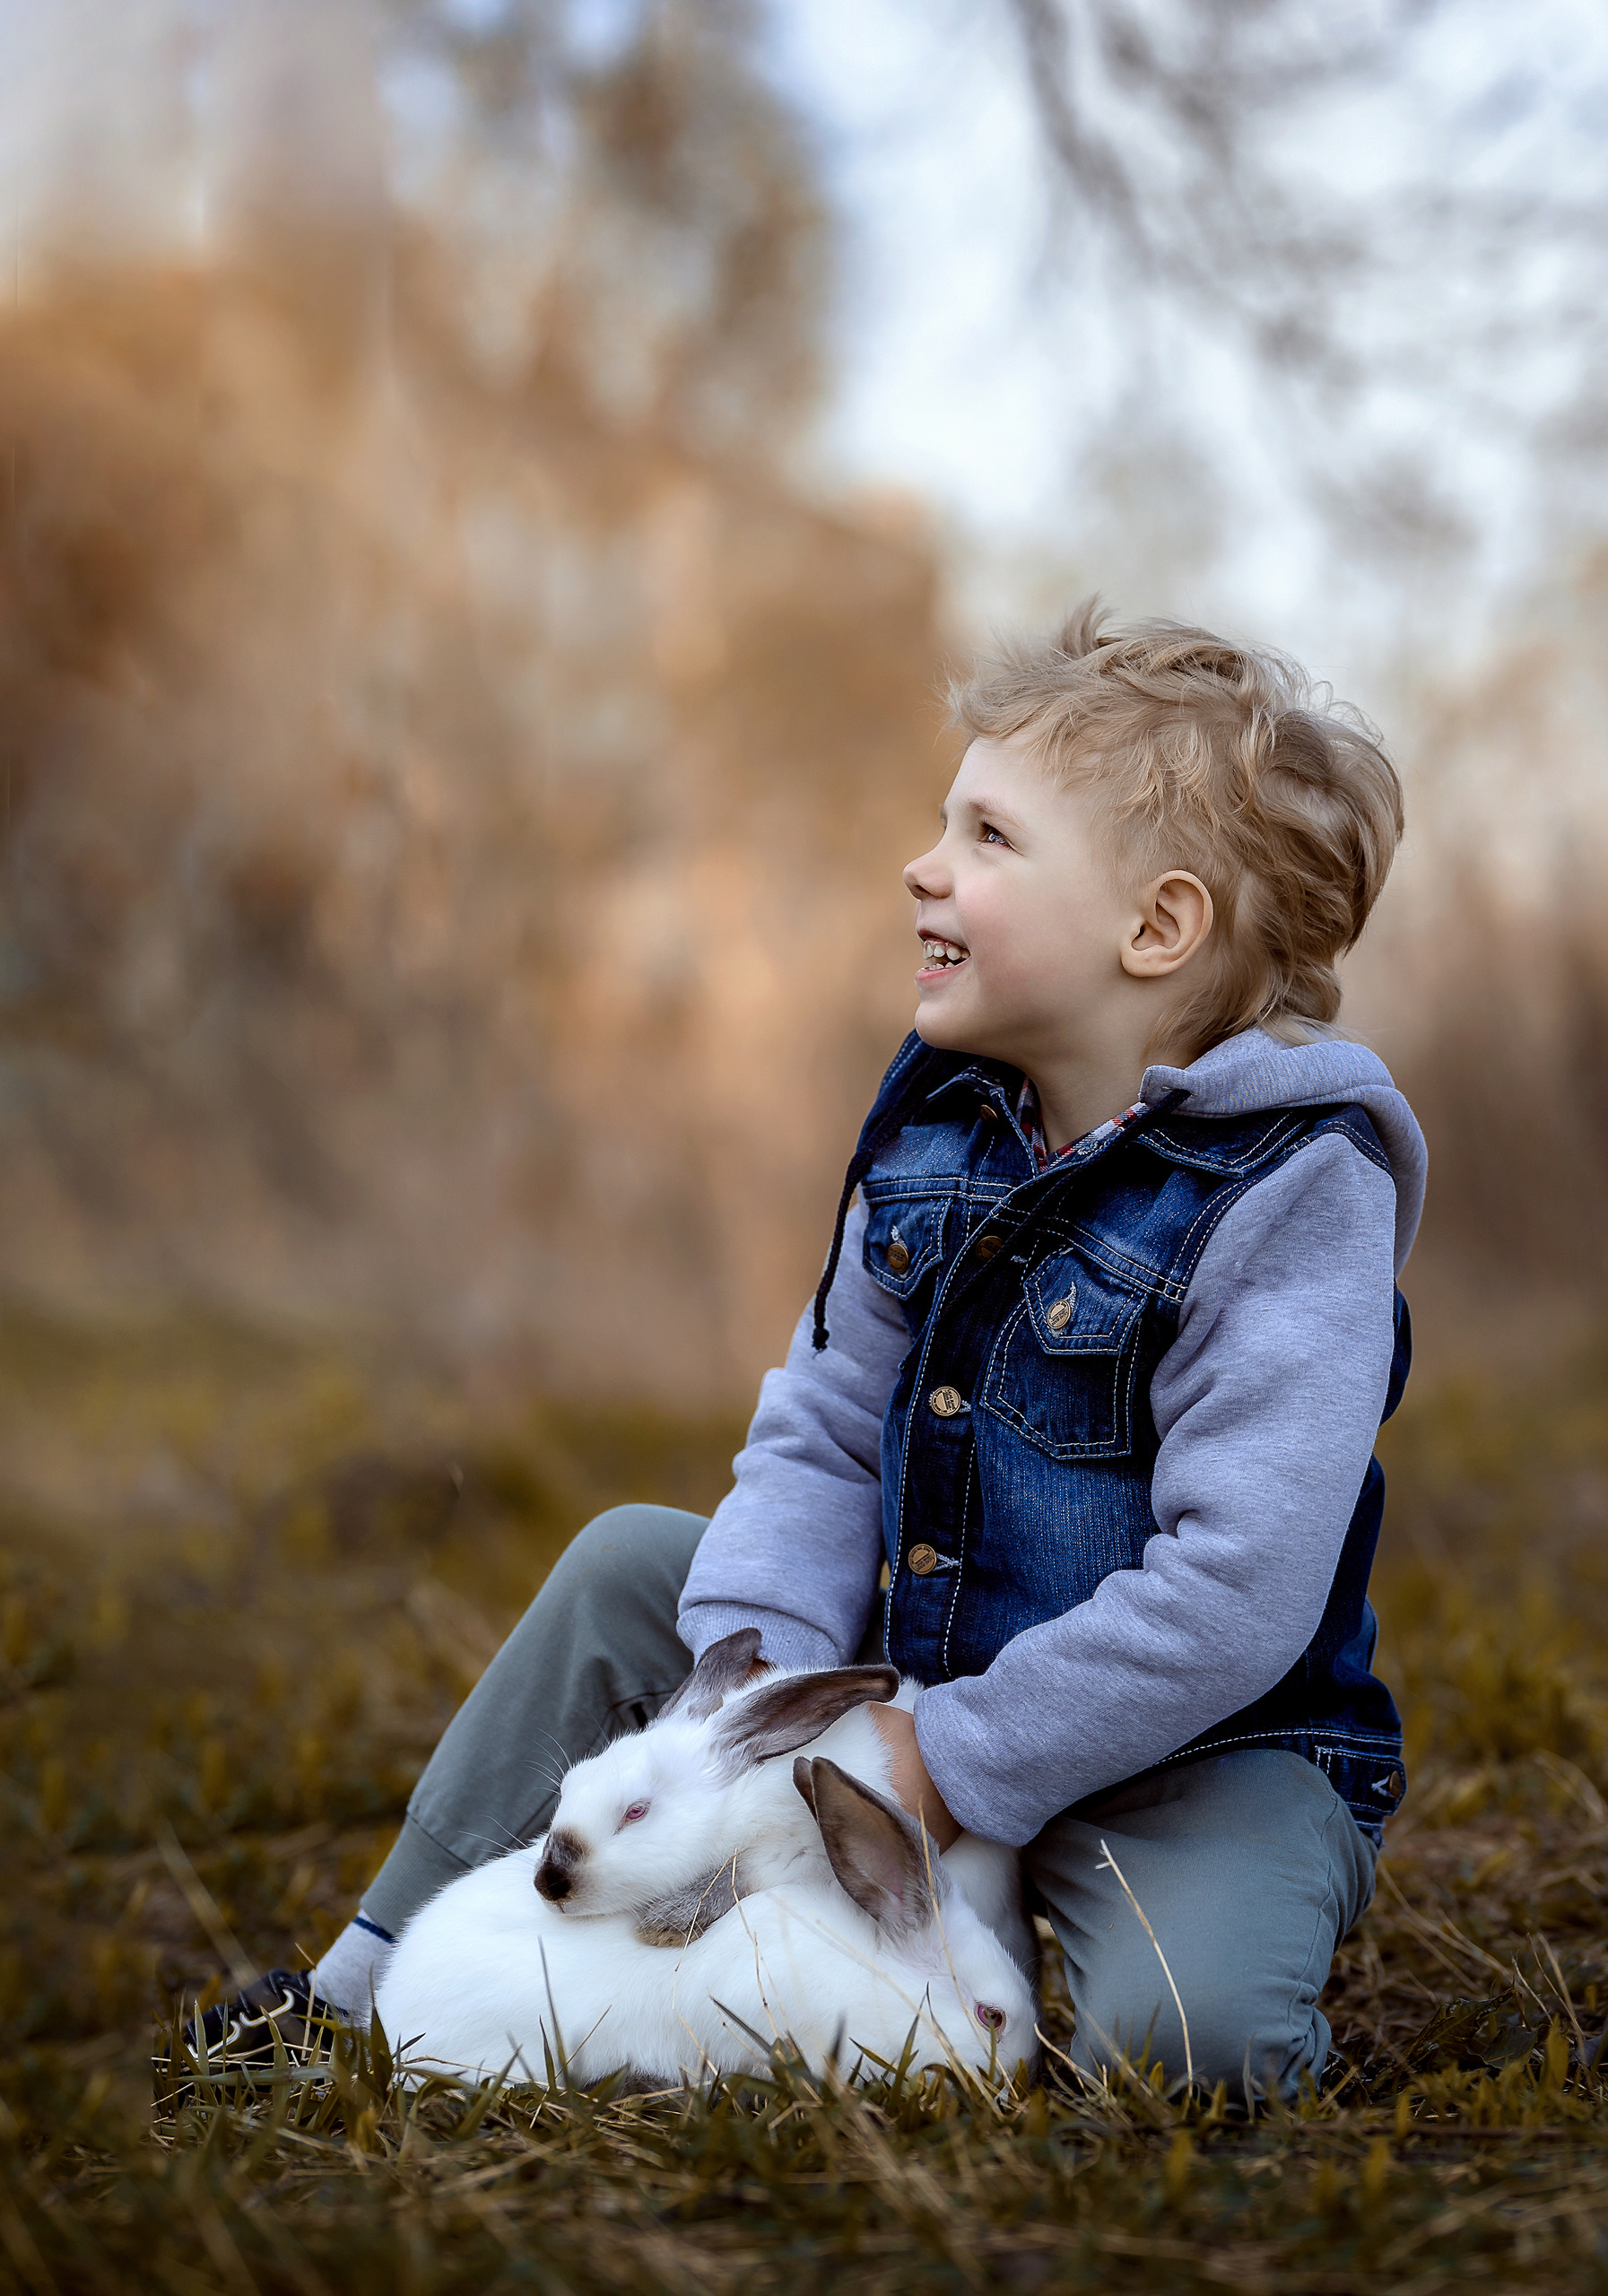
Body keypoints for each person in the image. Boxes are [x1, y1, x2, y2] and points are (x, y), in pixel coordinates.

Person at [201, 602, 1425, 2099]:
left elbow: (1240, 1589)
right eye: (945, 823)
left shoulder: (1296, 1195)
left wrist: (948, 1762)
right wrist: (758, 1685)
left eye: (989, 837)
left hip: (1197, 1753)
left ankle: (1073, 1953)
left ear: (1155, 929)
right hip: (898, 1683)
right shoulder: (933, 1137)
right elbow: (829, 1428)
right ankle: (358, 1989)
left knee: (1194, 2045)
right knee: (627, 1568)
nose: (925, 866)